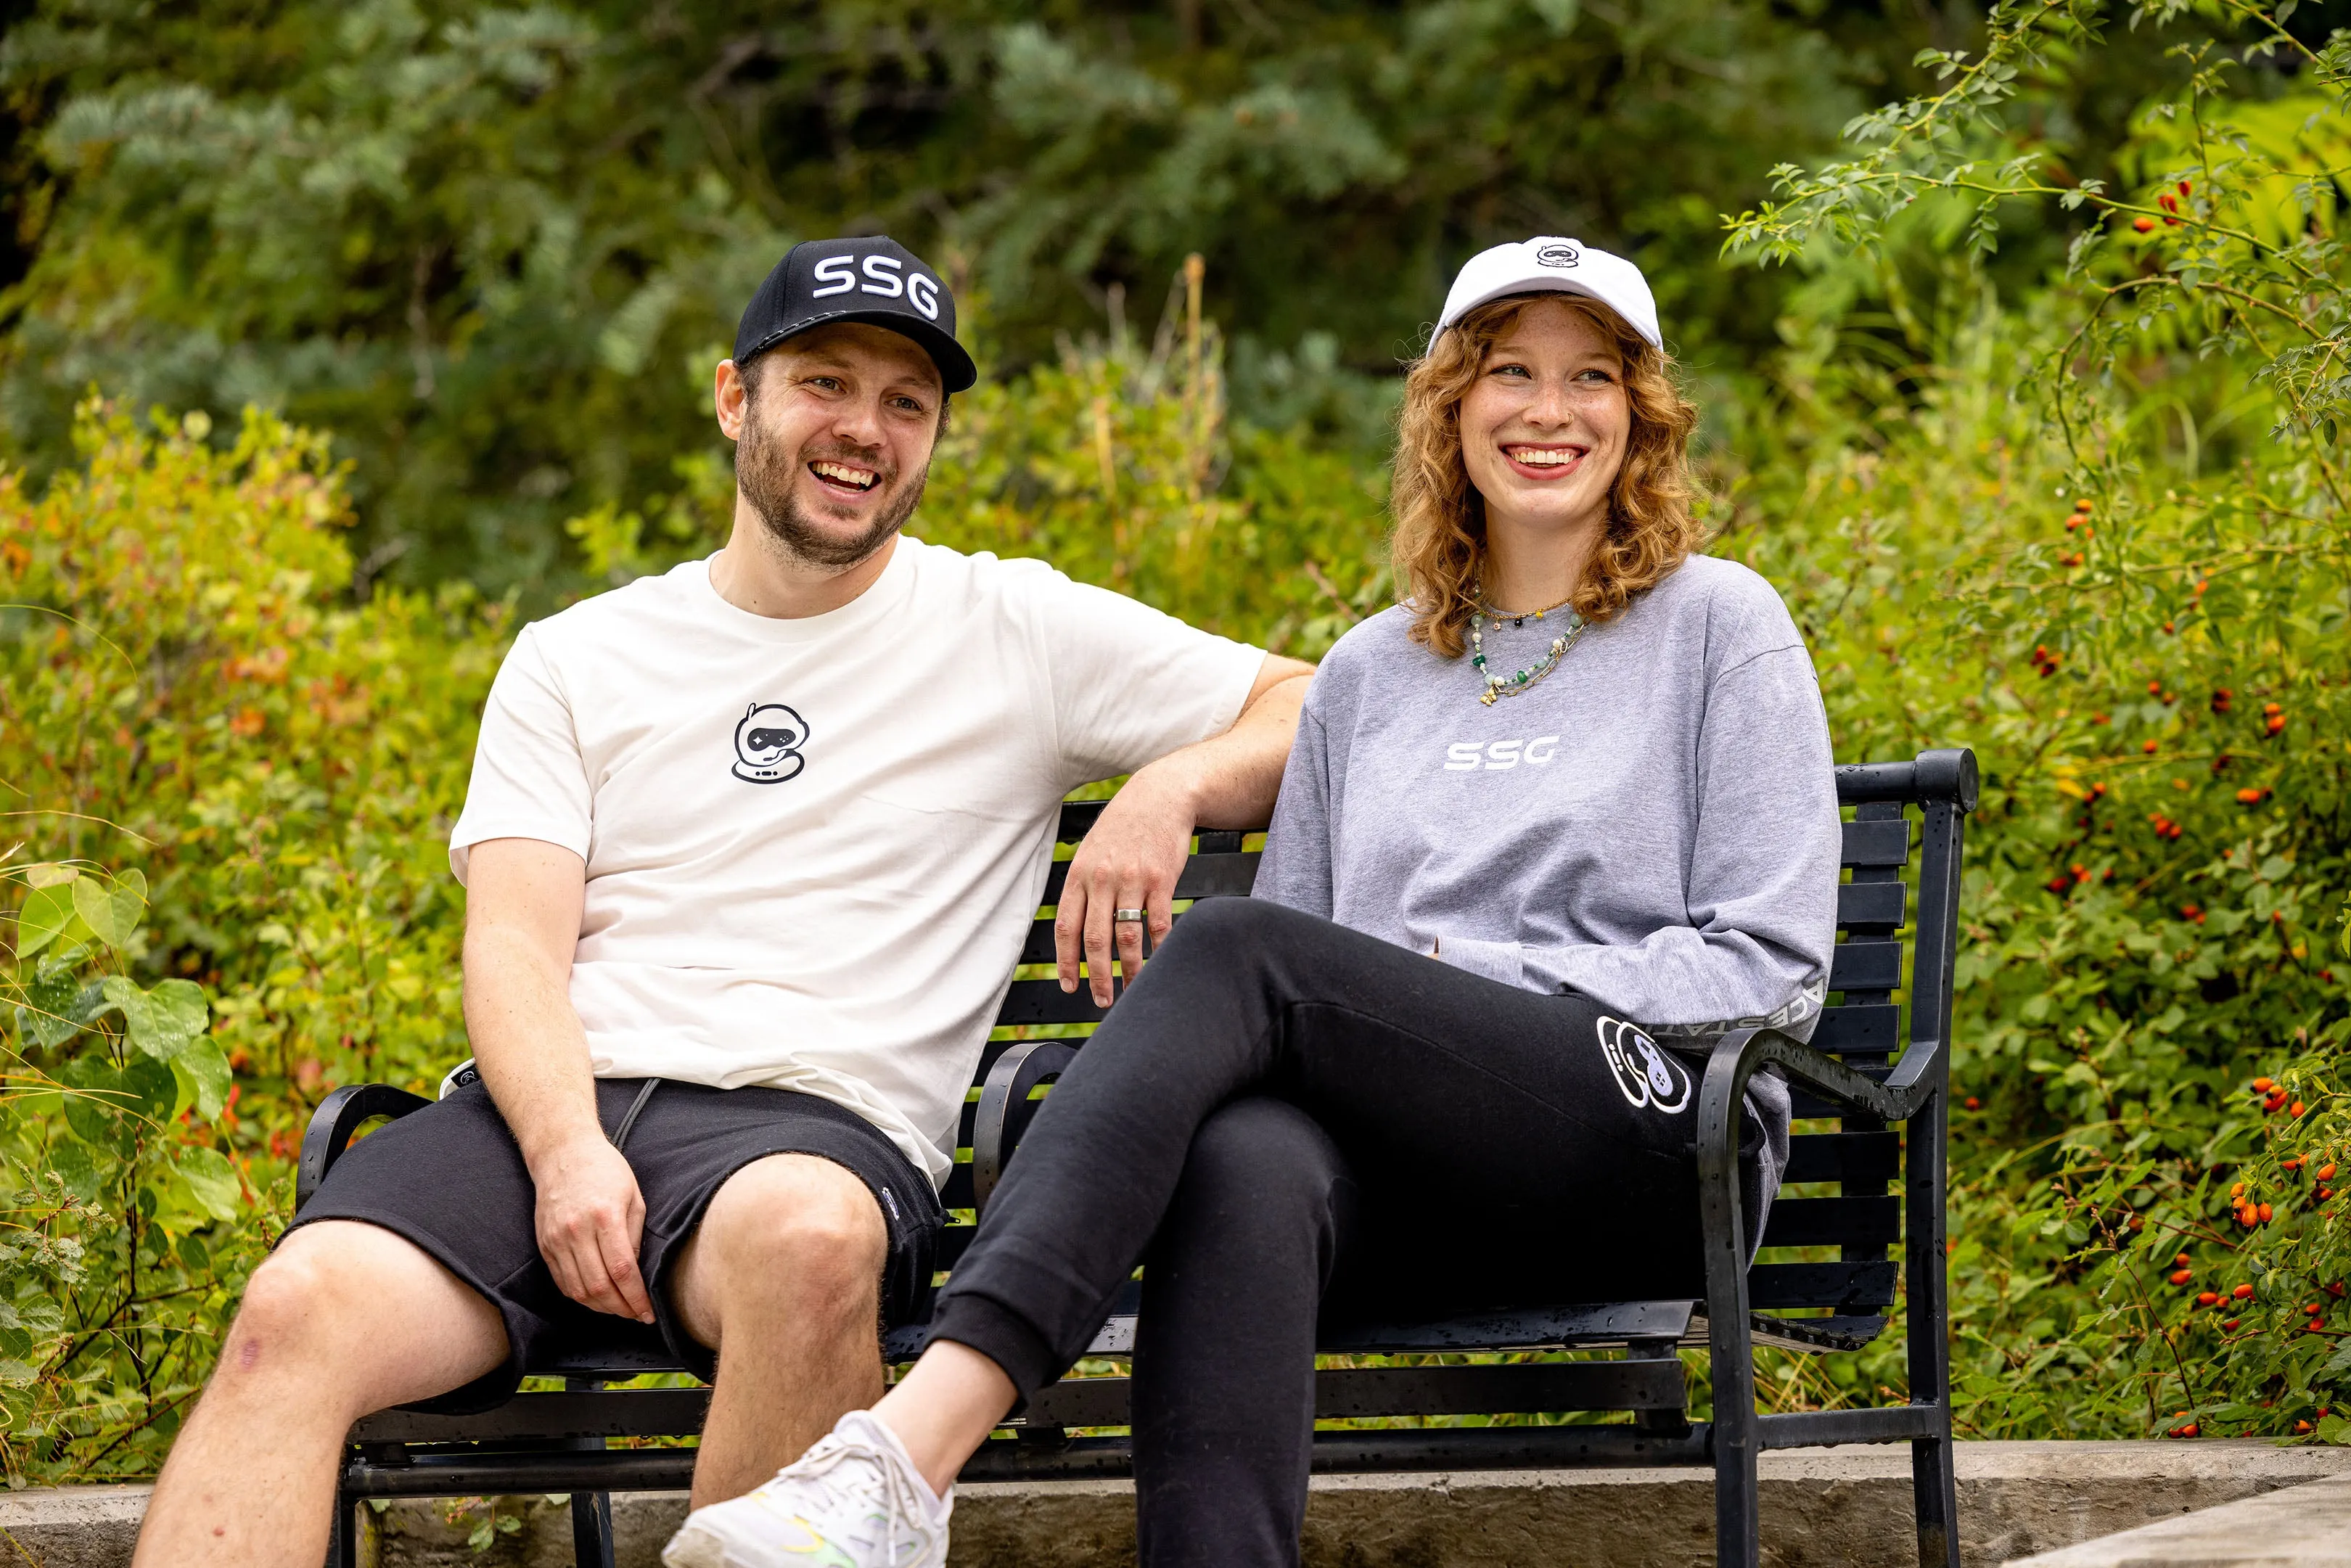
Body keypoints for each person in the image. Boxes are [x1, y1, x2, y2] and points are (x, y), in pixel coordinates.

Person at [129, 235, 1313, 1568]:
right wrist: (568, 1148)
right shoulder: (579, 656)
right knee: (296, 1308)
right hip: (543, 1124)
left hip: (810, 1138)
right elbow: (514, 941)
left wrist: (1168, 789)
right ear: (734, 398)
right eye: (824, 383)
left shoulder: (1015, 633)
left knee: (809, 1244)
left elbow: (1315, 704)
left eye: (907, 403)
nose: (864, 430)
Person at [665, 237, 1842, 1568]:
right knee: (1244, 1158)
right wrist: (1379, 993)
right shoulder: (1369, 673)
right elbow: (1296, 1017)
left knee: (1239, 950)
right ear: (1452, 408)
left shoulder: (1718, 627)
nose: (1549, 411)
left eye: (1591, 378)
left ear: (1641, 417)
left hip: (1647, 1140)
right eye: (1510, 371)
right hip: (1417, 1187)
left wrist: (1475, 995)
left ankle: (911, 1449)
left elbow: (1771, 965)